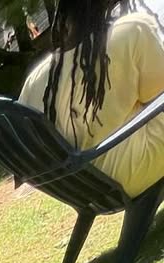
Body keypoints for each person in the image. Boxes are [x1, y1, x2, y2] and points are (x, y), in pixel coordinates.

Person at [20, 0, 164, 199]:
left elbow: (28, 150)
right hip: (134, 170)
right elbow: (157, 96)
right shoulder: (132, 30)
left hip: (83, 189)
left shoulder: (35, 80)